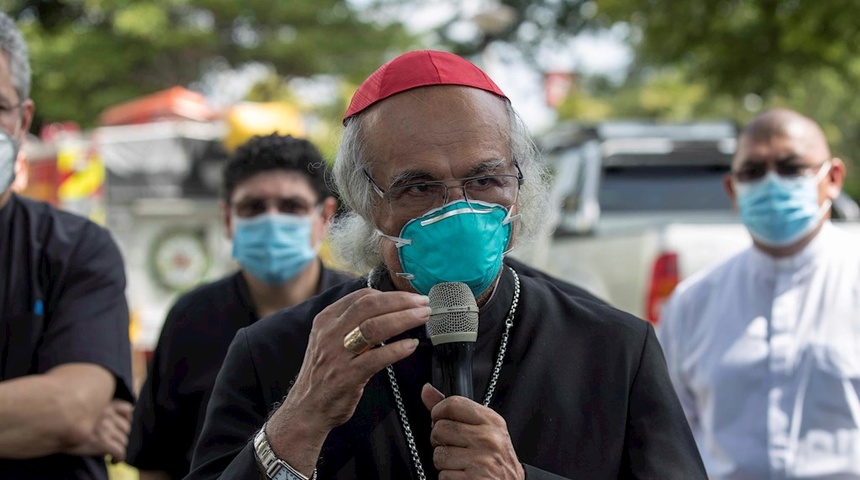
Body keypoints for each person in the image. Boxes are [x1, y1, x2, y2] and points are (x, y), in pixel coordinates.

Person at [187, 50, 707, 480]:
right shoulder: (274, 353)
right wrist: (297, 422)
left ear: (519, 187)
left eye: (485, 180)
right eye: (419, 187)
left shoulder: (614, 348)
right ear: (366, 202)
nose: (456, 208)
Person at [127, 133, 353, 479]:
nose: (272, 221)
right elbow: (157, 460)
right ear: (229, 219)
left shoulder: (354, 312)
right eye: (253, 207)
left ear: (325, 215)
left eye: (291, 207)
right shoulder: (191, 319)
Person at [658, 108, 860, 479]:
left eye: (791, 167)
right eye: (753, 171)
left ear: (832, 178)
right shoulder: (693, 304)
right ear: (733, 190)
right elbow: (670, 439)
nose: (772, 183)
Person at [0, 12, 135, 479]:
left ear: (22, 120)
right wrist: (33, 419)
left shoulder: (77, 248)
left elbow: (71, 408)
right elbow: (65, 416)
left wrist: (65, 417)